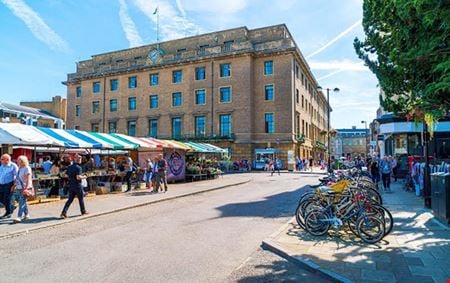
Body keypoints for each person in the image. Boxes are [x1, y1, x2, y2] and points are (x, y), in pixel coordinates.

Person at [12, 155, 33, 223]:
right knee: (22, 201)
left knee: (21, 202)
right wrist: (14, 185)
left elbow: (28, 178)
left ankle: (19, 216)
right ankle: (27, 214)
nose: (17, 161)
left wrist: (26, 188)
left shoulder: (27, 168)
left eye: (18, 160)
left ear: (23, 161)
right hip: (19, 187)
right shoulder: (20, 168)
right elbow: (17, 178)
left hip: (24, 188)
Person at [0, 154, 18, 219]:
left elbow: (17, 176)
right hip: (1, 185)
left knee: (7, 199)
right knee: (1, 199)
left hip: (9, 184)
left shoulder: (13, 166)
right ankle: (12, 206)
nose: (0, 160)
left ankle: (8, 213)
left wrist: (14, 185)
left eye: (2, 159)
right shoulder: (1, 165)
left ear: (7, 160)